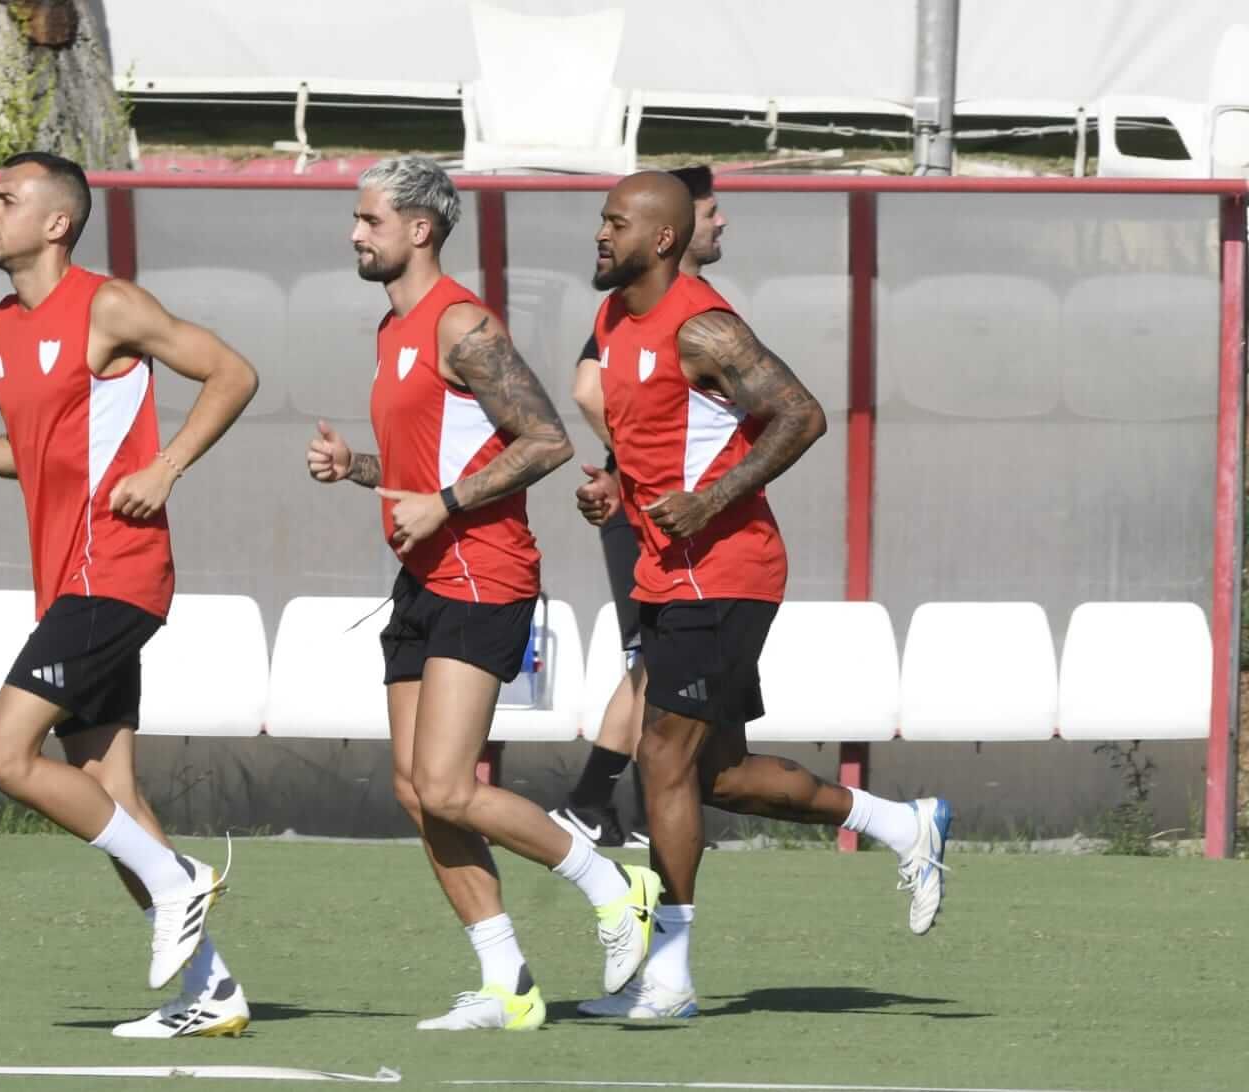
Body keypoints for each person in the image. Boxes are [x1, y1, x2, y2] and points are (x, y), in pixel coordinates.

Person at [573, 171, 952, 1020]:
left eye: (616, 222)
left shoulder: (702, 324)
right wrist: (616, 491)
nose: (600, 234)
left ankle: (666, 973)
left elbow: (801, 415)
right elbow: (664, 442)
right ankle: (905, 825)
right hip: (664, 570)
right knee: (722, 778)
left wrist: (708, 501)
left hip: (727, 569)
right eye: (600, 220)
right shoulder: (611, 319)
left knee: (660, 757)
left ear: (663, 239)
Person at [0, 151, 259, 1038]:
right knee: (111, 793)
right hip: (69, 580)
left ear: (57, 222)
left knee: (4, 753)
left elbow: (234, 373)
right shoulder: (6, 322)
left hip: (117, 572)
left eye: (6, 198)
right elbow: (36, 457)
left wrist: (167, 466)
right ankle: (211, 993)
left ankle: (178, 880)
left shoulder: (108, 304)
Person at [305, 156, 661, 1031]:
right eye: (356, 221)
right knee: (415, 789)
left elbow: (542, 439)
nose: (355, 234)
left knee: (450, 786)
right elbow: (432, 470)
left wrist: (450, 504)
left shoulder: (459, 322)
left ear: (419, 229)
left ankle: (613, 887)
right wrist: (361, 471)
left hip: (485, 575)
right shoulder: (391, 335)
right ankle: (509, 984)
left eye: (370, 221)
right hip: (424, 580)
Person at [552, 165, 725, 849]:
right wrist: (634, 467)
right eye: (711, 211)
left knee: (659, 662)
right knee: (654, 661)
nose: (720, 223)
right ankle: (600, 800)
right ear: (671, 231)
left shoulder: (691, 307)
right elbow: (589, 388)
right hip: (651, 512)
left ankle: (619, 802)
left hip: (668, 509)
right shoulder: (635, 306)